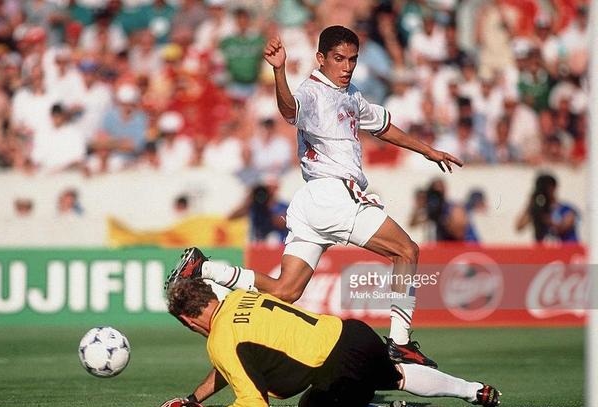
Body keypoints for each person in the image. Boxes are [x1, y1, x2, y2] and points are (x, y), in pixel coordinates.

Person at [172, 26, 463, 367]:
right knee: (406, 250)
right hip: (333, 194)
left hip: (311, 202)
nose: (347, 67)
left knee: (285, 291)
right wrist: (279, 71)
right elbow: (290, 110)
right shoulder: (312, 91)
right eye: (339, 59)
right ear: (321, 58)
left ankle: (204, 268)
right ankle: (399, 342)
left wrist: (428, 150)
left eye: (352, 59)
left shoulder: (351, 95)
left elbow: (383, 127)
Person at [159, 278, 501, 407]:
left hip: (338, 367)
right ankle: (475, 391)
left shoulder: (221, 340)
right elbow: (232, 364)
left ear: (187, 320)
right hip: (353, 334)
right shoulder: (239, 298)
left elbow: (254, 403)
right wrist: (193, 399)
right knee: (397, 376)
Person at [515, 173, 579, 242]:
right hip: (544, 248)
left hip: (566, 247)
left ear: (554, 188)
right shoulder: (537, 209)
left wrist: (543, 217)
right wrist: (531, 205)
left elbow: (562, 227)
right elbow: (519, 227)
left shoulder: (567, 209)